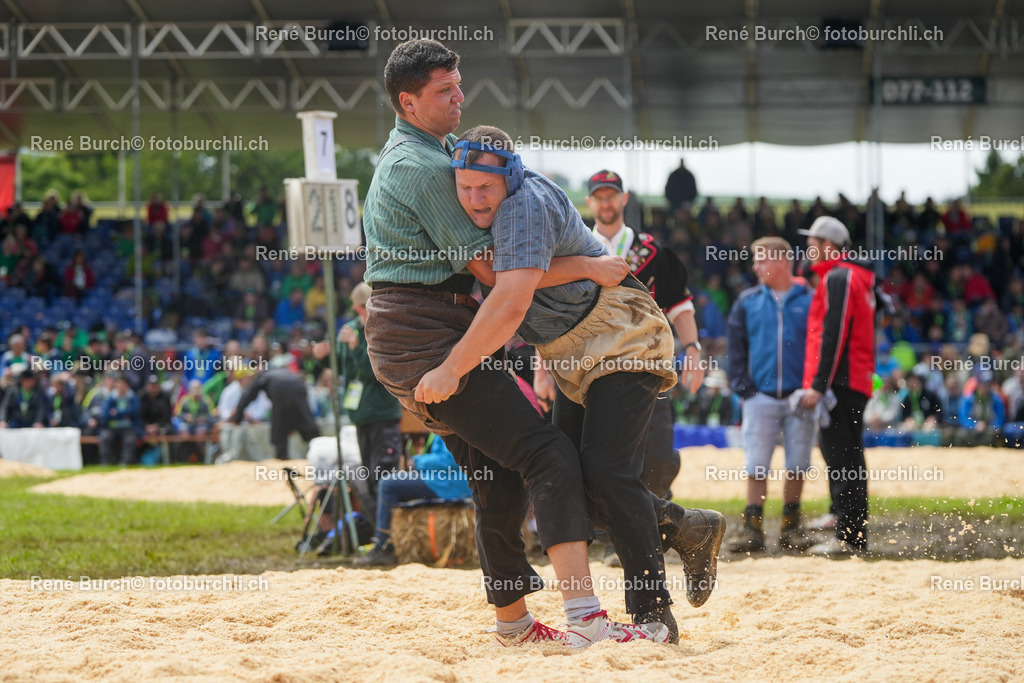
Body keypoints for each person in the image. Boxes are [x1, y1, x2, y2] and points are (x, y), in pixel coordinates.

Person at [361, 39, 671, 648]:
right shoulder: (422, 167)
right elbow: (495, 276)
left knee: (499, 478)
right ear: (408, 101)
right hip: (426, 335)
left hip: (420, 329)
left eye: (459, 84)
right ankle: (585, 615)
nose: (460, 97)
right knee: (549, 455)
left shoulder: (430, 154)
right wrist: (588, 266)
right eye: (444, 91)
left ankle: (514, 623)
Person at [414, 124, 726, 640]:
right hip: (567, 351)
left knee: (606, 470)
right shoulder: (488, 209)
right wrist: (582, 264)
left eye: (484, 188)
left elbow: (512, 296)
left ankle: (654, 614)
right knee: (572, 480)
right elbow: (502, 277)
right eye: (464, 187)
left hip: (619, 333)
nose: (473, 199)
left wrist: (452, 367)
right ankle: (686, 527)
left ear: (510, 176)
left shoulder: (524, 204)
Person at [726, 237, 816, 552]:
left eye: (761, 260)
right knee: (756, 464)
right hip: (760, 396)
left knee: (798, 462)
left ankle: (791, 528)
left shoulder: (811, 300)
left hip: (800, 396)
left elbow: (821, 345)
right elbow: (735, 349)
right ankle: (753, 530)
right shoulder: (747, 301)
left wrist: (813, 386)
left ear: (781, 261)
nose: (755, 266)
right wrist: (745, 389)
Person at [799, 217, 876, 556]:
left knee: (843, 456)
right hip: (848, 380)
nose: (807, 249)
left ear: (828, 246)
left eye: (812, 242)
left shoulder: (841, 276)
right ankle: (843, 523)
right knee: (845, 454)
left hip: (840, 382)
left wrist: (818, 384)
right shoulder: (849, 276)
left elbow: (835, 332)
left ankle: (849, 536)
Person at [313, 282, 402, 524]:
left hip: (383, 414)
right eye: (362, 306)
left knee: (384, 475)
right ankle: (377, 529)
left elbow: (378, 373)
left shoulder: (384, 329)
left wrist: (356, 347)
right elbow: (344, 370)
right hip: (360, 415)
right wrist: (324, 359)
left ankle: (388, 531)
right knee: (370, 478)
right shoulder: (350, 329)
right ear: (356, 307)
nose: (365, 310)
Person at [358, 433, 472, 566]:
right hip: (449, 480)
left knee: (388, 485)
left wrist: (417, 461)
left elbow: (449, 460)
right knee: (395, 483)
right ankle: (393, 545)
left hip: (449, 483)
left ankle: (385, 546)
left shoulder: (450, 424)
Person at [231, 367, 320, 461]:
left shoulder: (262, 376)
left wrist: (237, 419)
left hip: (281, 391)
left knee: (279, 430)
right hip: (299, 386)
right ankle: (320, 453)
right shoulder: (282, 371)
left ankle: (281, 459)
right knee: (308, 425)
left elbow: (247, 396)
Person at [100, 374, 141, 465]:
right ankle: (106, 463)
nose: (120, 387)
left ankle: (125, 463)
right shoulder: (111, 397)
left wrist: (117, 413)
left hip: (128, 427)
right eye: (118, 385)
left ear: (127, 386)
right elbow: (106, 414)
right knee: (105, 438)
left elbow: (135, 411)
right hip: (112, 427)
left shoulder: (132, 397)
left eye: (123, 385)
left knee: (130, 440)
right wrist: (124, 414)